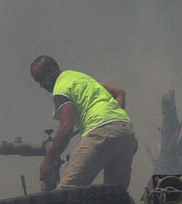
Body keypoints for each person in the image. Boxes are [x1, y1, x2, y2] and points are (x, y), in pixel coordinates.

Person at [30, 55, 138, 191]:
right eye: (38, 82)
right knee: (115, 197)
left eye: (42, 79)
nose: (41, 85)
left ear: (53, 71)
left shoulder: (61, 87)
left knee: (65, 194)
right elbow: (119, 92)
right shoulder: (80, 78)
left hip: (101, 131)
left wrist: (48, 161)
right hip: (126, 132)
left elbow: (67, 126)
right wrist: (115, 122)